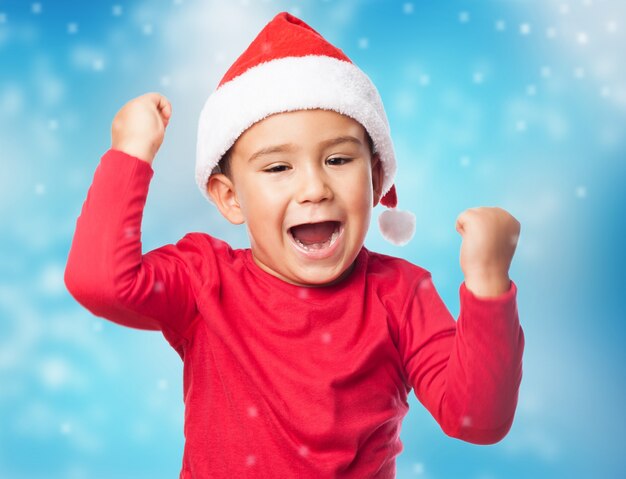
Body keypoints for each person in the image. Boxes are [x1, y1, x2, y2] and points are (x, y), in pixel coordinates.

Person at [64, 11, 524, 479]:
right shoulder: (205, 279)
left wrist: (488, 284)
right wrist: (129, 152)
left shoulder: (401, 294)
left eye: (339, 159)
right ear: (229, 197)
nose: (314, 188)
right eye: (278, 168)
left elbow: (477, 421)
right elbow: (99, 283)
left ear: (376, 178)